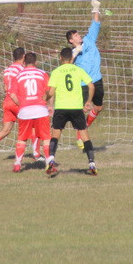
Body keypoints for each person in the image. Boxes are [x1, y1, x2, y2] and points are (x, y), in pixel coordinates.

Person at [0, 47, 36, 161]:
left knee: (5, 130)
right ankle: (36, 154)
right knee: (33, 125)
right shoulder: (22, 69)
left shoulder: (8, 69)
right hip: (16, 100)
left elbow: (5, 87)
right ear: (23, 56)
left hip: (7, 101)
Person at [46, 47, 96, 176]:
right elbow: (91, 86)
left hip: (61, 108)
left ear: (60, 58)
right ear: (72, 58)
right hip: (76, 108)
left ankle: (51, 158)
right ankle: (91, 163)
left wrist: (45, 99)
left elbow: (51, 92)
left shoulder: (56, 72)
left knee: (55, 135)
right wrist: (88, 101)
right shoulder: (78, 70)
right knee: (84, 136)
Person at [67, 0, 104, 149]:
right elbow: (67, 66)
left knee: (98, 108)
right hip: (83, 84)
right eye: (76, 36)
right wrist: (76, 52)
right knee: (82, 110)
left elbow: (95, 23)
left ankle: (85, 127)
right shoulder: (72, 52)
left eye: (78, 34)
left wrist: (96, 9)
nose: (79, 36)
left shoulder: (89, 40)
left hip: (97, 80)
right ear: (71, 40)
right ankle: (80, 137)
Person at [9, 52, 50, 173]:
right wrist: (49, 104)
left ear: (24, 62)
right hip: (40, 110)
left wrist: (20, 104)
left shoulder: (18, 75)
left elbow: (12, 95)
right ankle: (49, 163)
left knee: (22, 138)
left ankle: (17, 164)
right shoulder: (42, 73)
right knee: (46, 137)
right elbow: (49, 91)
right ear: (36, 62)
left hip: (25, 111)